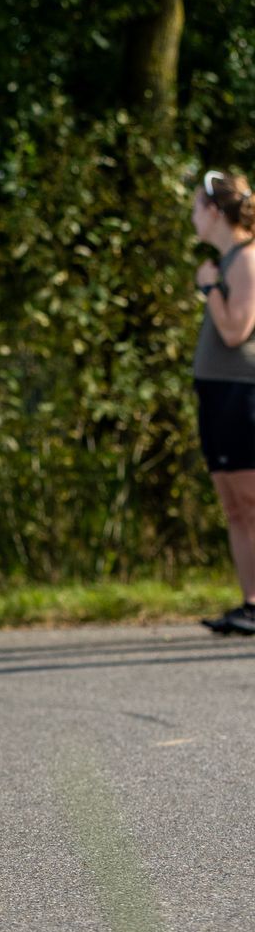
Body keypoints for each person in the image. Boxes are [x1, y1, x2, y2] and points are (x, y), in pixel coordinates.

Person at [191, 169, 255, 635]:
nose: (192, 217)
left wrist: (211, 287)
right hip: (216, 393)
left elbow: (236, 331)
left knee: (251, 501)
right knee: (234, 507)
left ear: (214, 212)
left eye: (196, 207)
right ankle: (250, 605)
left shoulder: (247, 260)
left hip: (241, 393)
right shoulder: (229, 259)